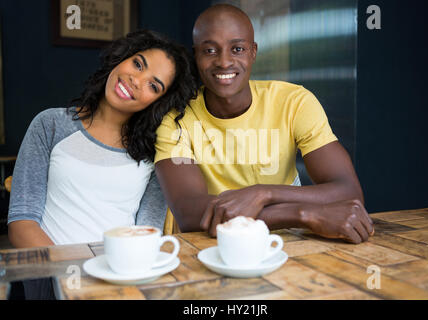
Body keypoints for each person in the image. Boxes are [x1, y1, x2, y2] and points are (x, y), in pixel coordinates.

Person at [154, 4, 374, 244]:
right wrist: (301, 213)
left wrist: (262, 193)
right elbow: (189, 212)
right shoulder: (177, 119)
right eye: (210, 50)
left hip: (284, 245)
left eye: (237, 49)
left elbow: (349, 192)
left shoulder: (293, 102)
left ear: (253, 52)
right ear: (196, 55)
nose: (224, 61)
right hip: (210, 245)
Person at [7, 30, 198, 247]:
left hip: (119, 274)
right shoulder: (50, 124)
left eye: (153, 86)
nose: (136, 80)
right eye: (137, 64)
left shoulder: (155, 155)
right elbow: (22, 223)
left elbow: (146, 236)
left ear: (159, 102)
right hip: (51, 274)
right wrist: (69, 276)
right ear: (121, 59)